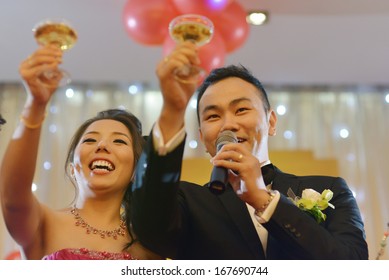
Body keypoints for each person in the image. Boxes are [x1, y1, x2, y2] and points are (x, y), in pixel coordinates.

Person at [130, 41, 369, 260]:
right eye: (213, 116)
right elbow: (150, 226)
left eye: (241, 110)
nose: (228, 125)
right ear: (203, 138)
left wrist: (264, 201)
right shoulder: (188, 202)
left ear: (271, 122)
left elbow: (352, 264)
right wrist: (173, 110)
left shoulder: (330, 189)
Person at [0, 45, 161, 260]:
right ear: (72, 167)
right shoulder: (44, 223)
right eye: (90, 139)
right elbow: (11, 197)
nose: (102, 146)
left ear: (135, 171)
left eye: (119, 141)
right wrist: (36, 105)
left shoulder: (147, 249)